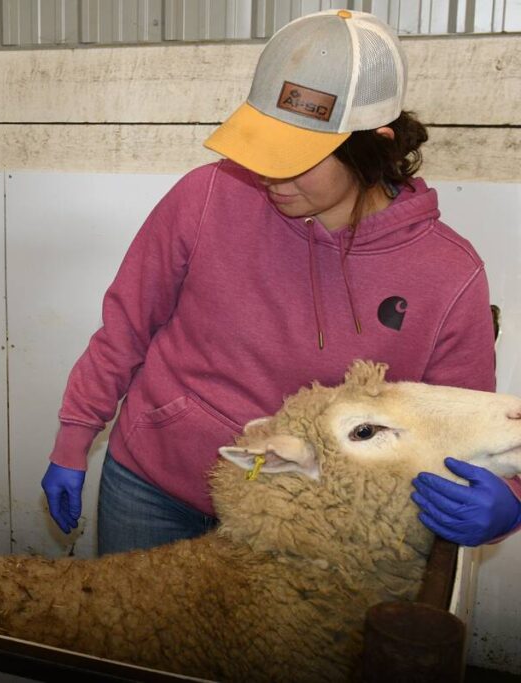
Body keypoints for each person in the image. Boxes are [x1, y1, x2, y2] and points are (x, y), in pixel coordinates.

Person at [41, 9, 521, 554]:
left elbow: (468, 423)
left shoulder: (448, 275)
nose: (271, 173)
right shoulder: (207, 197)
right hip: (154, 489)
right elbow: (125, 326)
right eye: (264, 144)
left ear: (375, 145)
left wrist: (510, 498)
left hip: (306, 523)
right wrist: (73, 439)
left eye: (298, 157)